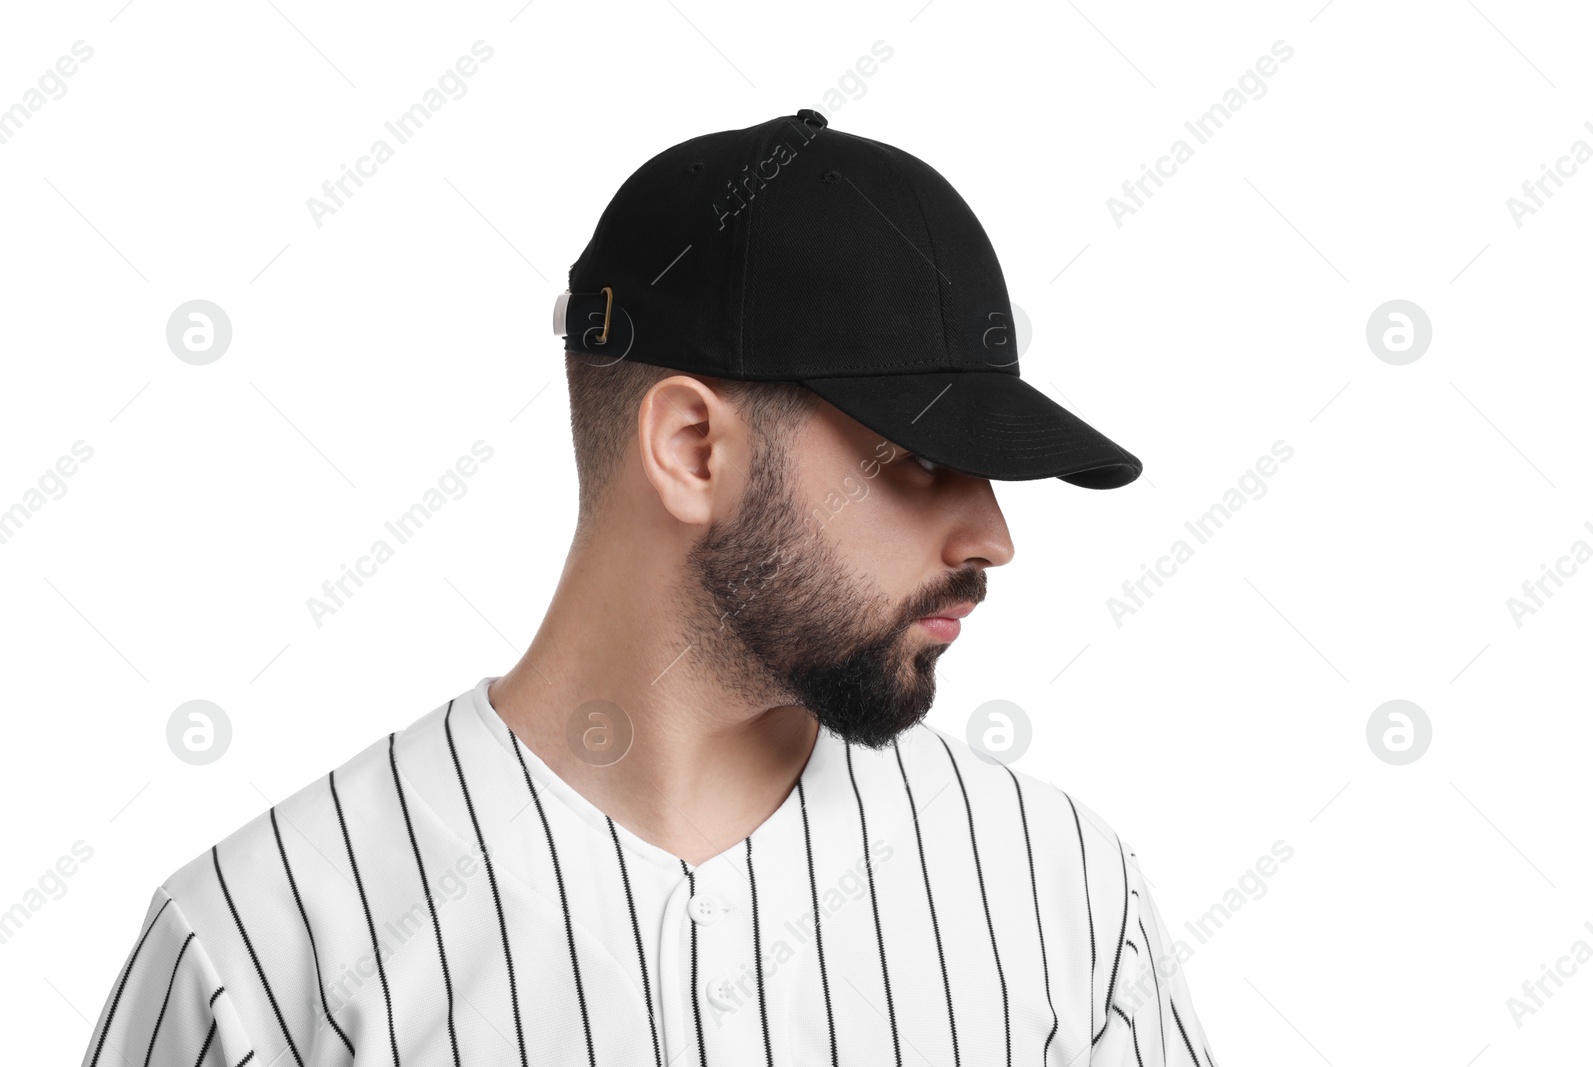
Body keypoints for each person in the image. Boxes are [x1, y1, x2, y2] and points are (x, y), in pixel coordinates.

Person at [80, 109, 1215, 1067]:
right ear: (689, 447)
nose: (991, 532)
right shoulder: (265, 944)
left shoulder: (1062, 894)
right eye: (917, 458)